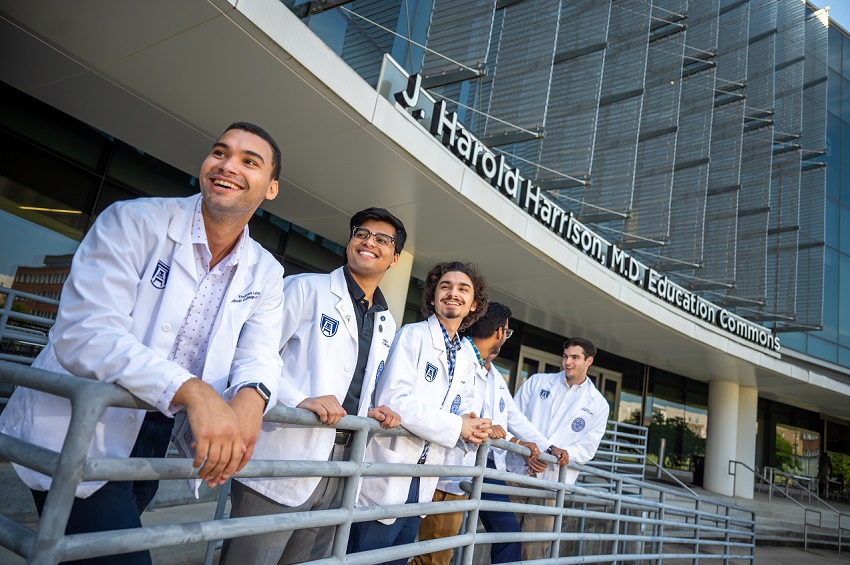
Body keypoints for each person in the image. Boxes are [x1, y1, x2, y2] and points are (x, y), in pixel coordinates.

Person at [0, 122, 286, 565]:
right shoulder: (133, 221)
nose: (227, 166)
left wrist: (253, 397)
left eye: (250, 161)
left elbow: (260, 352)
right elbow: (84, 334)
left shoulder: (265, 271)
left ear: (270, 189)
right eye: (220, 153)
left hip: (157, 430)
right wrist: (195, 391)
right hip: (82, 422)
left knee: (83, 554)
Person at [220, 208, 407, 565]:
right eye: (361, 233)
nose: (368, 242)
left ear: (395, 258)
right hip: (287, 448)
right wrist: (299, 399)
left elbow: (362, 385)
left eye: (382, 240)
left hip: (343, 462)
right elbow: (251, 355)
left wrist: (377, 409)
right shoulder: (305, 288)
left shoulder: (386, 321)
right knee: (252, 557)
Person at [348, 261, 493, 565]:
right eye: (445, 287)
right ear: (432, 297)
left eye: (462, 289)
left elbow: (462, 409)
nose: (453, 293)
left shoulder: (465, 355)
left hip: (424, 480)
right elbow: (395, 400)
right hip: (391, 469)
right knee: (365, 558)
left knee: (398, 560)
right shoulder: (412, 336)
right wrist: (459, 426)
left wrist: (474, 429)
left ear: (473, 304)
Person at [411, 302, 555, 565]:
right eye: (507, 332)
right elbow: (468, 414)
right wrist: (512, 440)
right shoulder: (462, 358)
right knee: (436, 553)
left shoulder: (493, 374)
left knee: (475, 543)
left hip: (482, 466)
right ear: (498, 333)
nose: (506, 338)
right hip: (452, 468)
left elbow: (513, 417)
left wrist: (548, 446)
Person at [509, 337, 610, 560]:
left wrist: (568, 454)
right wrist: (526, 451)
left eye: (575, 357)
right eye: (565, 356)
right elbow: (512, 417)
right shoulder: (537, 382)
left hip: (551, 484)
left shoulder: (598, 404)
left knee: (532, 551)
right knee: (503, 541)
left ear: (589, 361)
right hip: (517, 473)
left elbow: (588, 447)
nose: (568, 362)